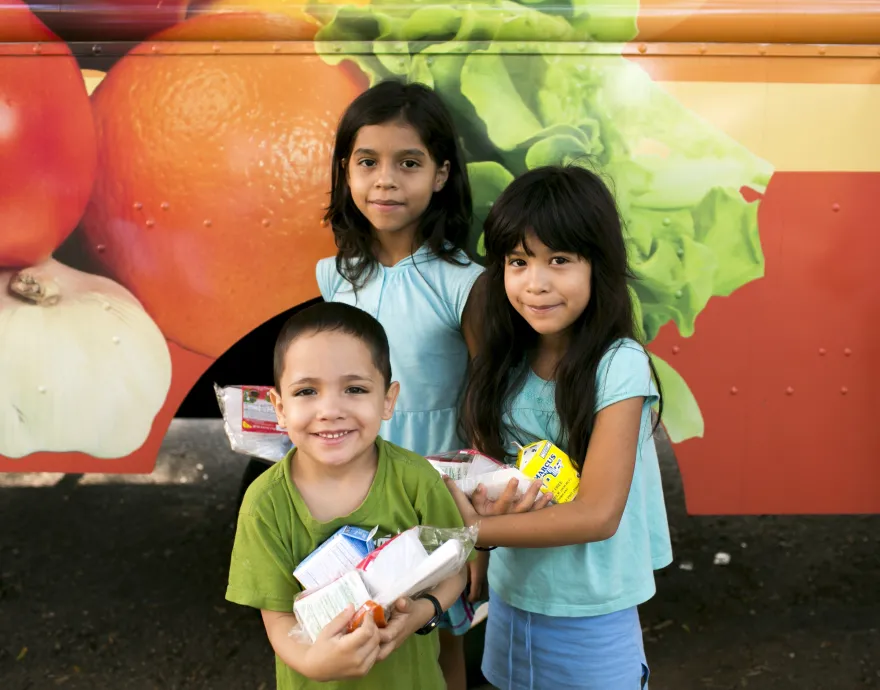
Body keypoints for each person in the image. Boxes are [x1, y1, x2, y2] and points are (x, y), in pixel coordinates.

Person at [445, 164, 674, 689]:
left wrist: (472, 533)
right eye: (518, 261)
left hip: (592, 614)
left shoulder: (619, 366)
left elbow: (597, 515)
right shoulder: (504, 361)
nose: (536, 283)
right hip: (510, 600)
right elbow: (488, 470)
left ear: (599, 267)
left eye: (560, 260)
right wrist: (479, 552)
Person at [316, 79, 485, 687]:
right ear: (346, 170)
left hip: (436, 489)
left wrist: (479, 529)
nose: (385, 180)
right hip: (355, 484)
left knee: (438, 636)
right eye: (368, 162)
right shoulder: (334, 275)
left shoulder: (463, 282)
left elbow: (485, 397)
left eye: (408, 163)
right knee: (361, 627)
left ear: (440, 175)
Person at [225, 301, 468, 690]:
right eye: (307, 391)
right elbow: (278, 619)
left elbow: (454, 569)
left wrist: (422, 612)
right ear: (279, 408)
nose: (330, 409)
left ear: (387, 400)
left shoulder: (417, 480)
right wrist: (314, 662)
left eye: (354, 389)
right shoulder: (265, 503)